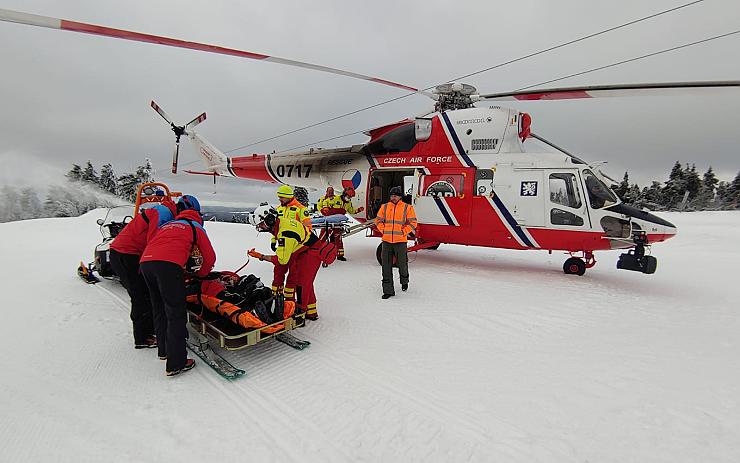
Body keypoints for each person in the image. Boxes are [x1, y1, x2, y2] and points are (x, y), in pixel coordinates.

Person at [140, 195, 216, 376]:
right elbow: (210, 257)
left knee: (159, 308)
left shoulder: (167, 225)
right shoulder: (194, 226)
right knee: (176, 313)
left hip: (146, 264)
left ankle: (164, 351)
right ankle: (177, 363)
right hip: (167, 265)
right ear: (197, 214)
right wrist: (201, 275)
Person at [109, 197, 177, 349]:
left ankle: (150, 330)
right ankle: (142, 338)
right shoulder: (164, 213)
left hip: (128, 254)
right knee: (139, 295)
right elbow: (154, 241)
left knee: (145, 292)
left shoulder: (162, 210)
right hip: (126, 255)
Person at [248, 207, 336, 320]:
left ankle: (300, 314)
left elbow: (282, 260)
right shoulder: (283, 222)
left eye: (261, 225)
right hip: (305, 252)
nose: (261, 228)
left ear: (269, 220)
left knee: (301, 285)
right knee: (307, 284)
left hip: (309, 255)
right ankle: (311, 312)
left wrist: (262, 257)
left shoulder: (285, 234)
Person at [375, 186, 417, 299]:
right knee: (386, 266)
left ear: (400, 196)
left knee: (402, 264)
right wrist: (383, 230)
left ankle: (404, 281)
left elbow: (413, 223)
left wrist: (404, 231)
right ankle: (388, 290)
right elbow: (378, 220)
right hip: (386, 241)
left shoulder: (407, 207)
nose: (393, 198)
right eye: (392, 195)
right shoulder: (384, 207)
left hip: (400, 241)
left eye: (395, 195)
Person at [320, 187, 364, 261]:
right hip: (329, 222)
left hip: (338, 223)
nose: (349, 198)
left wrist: (358, 210)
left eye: (350, 197)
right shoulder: (335, 198)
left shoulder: (348, 203)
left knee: (338, 239)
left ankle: (340, 255)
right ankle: (317, 252)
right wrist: (325, 208)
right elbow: (325, 202)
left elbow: (351, 211)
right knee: (323, 237)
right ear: (344, 194)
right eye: (348, 196)